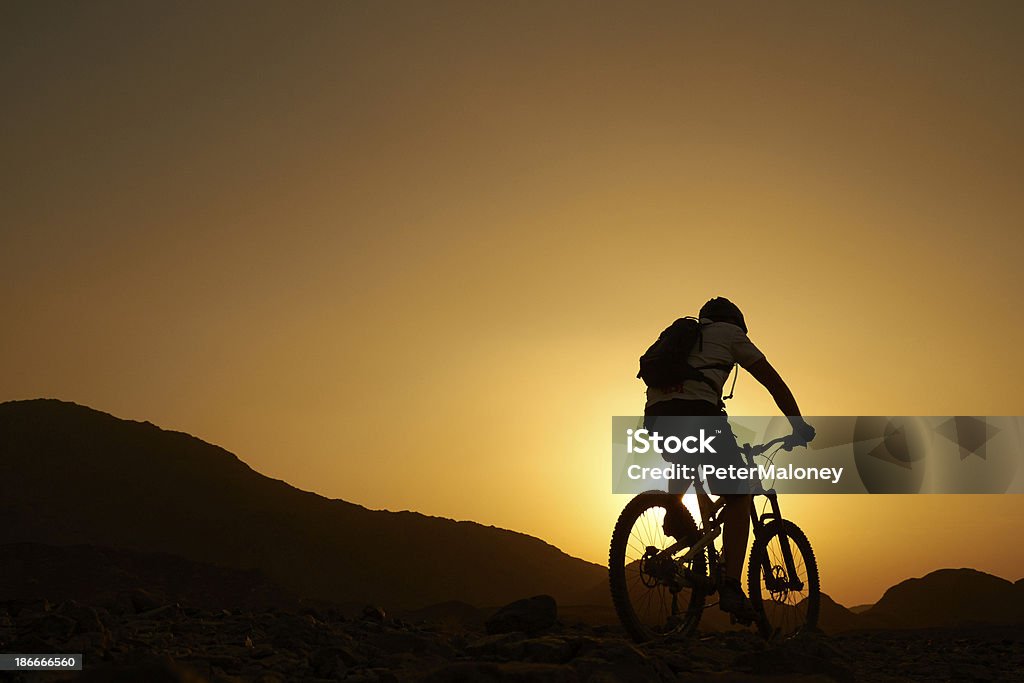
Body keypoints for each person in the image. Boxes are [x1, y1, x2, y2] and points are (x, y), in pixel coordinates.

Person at [643, 297, 815, 620]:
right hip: (700, 415)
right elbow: (772, 381)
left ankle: (674, 511)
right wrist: (798, 425)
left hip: (657, 416)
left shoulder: (685, 338)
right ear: (735, 322)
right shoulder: (730, 334)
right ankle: (733, 587)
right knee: (738, 493)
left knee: (687, 456)